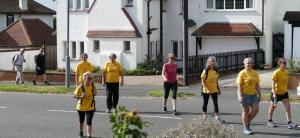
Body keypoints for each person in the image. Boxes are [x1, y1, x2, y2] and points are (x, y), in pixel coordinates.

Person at [267, 57, 296, 129]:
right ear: (279, 64)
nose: (284, 64)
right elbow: (273, 84)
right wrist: (274, 93)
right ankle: (269, 121)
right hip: (276, 93)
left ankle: (289, 122)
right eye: (283, 62)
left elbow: (286, 83)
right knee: (273, 107)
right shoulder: (276, 72)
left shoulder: (286, 72)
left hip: (284, 93)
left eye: (285, 62)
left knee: (288, 108)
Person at [236, 58, 261, 135]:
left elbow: (257, 84)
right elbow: (239, 85)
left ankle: (247, 121)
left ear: (252, 64)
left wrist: (259, 94)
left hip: (253, 94)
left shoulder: (255, 73)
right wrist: (240, 96)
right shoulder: (242, 73)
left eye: (250, 63)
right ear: (244, 64)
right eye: (247, 63)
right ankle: (246, 127)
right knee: (246, 111)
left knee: (256, 110)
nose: (248, 64)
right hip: (244, 94)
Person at [201, 56, 224, 122]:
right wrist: (206, 89)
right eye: (211, 61)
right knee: (205, 102)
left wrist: (218, 89)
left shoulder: (216, 70)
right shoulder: (206, 70)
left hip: (214, 88)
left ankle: (216, 116)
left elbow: (216, 80)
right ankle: (204, 115)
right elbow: (202, 81)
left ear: (215, 62)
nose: (212, 62)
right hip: (206, 89)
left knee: (215, 103)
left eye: (213, 61)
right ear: (208, 62)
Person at [74, 72, 97, 138]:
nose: (90, 80)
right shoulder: (80, 87)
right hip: (81, 107)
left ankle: (89, 135)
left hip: (90, 107)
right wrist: (81, 96)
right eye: (88, 78)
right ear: (84, 79)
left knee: (89, 121)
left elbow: (95, 93)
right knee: (81, 120)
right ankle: (81, 131)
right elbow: (74, 95)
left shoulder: (93, 86)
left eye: (91, 78)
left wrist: (94, 93)